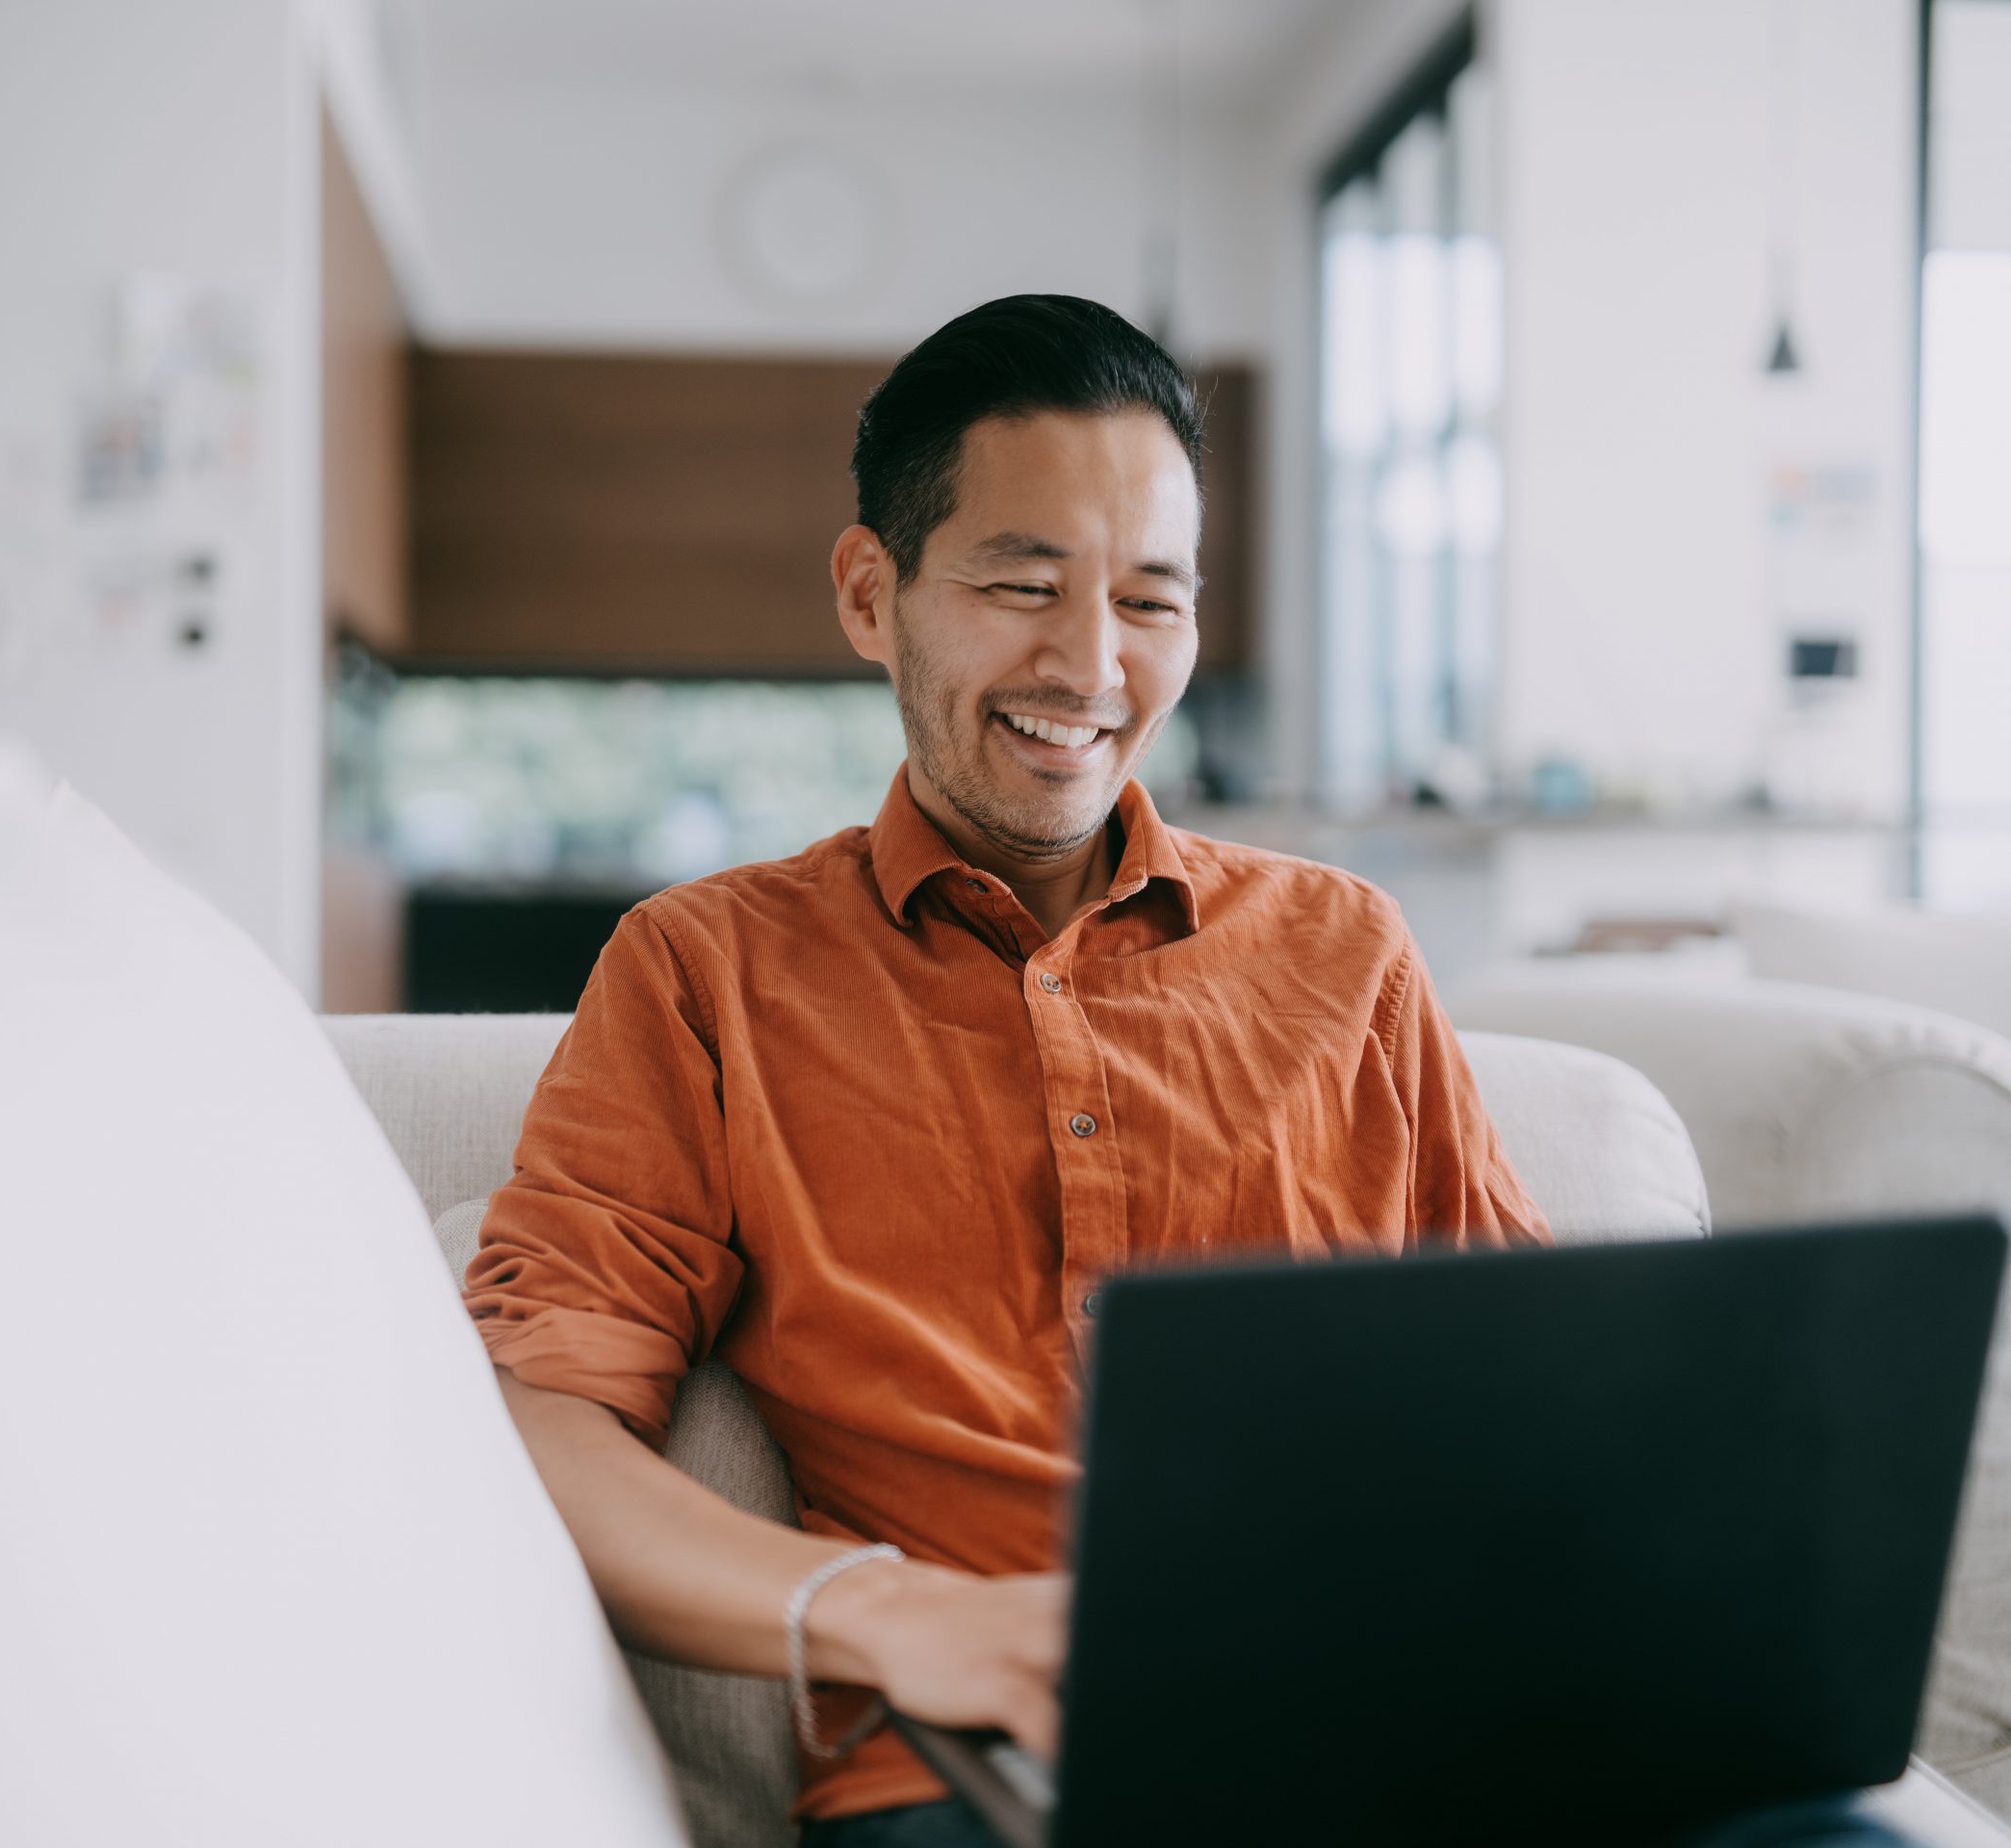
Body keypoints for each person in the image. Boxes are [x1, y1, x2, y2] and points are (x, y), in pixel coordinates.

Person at [461, 295, 1908, 1848]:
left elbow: (1537, 1404)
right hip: (993, 1776)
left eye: (1152, 600)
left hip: (1419, 1730)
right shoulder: (705, 972)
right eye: (1023, 583)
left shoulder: (1346, 949)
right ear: (871, 594)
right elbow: (534, 1422)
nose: (1089, 665)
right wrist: (886, 1616)